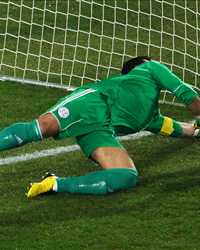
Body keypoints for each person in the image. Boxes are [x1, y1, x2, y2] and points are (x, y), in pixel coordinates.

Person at [1, 56, 200, 198]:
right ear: (142, 65)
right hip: (92, 103)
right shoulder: (150, 67)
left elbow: (182, 129)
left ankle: (53, 184)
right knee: (39, 128)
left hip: (99, 131)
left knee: (125, 177)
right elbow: (188, 96)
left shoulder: (150, 118)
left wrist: (196, 130)